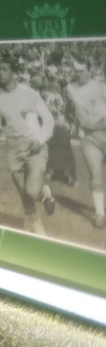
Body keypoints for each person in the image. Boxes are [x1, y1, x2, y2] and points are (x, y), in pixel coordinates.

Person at [0, 62, 55, 228]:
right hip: (13, 149)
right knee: (25, 197)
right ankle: (41, 237)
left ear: (14, 74)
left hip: (34, 146)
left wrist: (41, 140)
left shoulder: (29, 94)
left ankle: (45, 194)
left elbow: (48, 118)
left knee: (31, 192)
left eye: (4, 69)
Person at [64, 60, 106, 229]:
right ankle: (99, 213)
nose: (77, 73)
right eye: (75, 70)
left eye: (81, 70)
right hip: (88, 138)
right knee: (95, 173)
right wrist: (74, 122)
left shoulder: (101, 86)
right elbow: (70, 107)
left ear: (90, 71)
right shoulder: (70, 88)